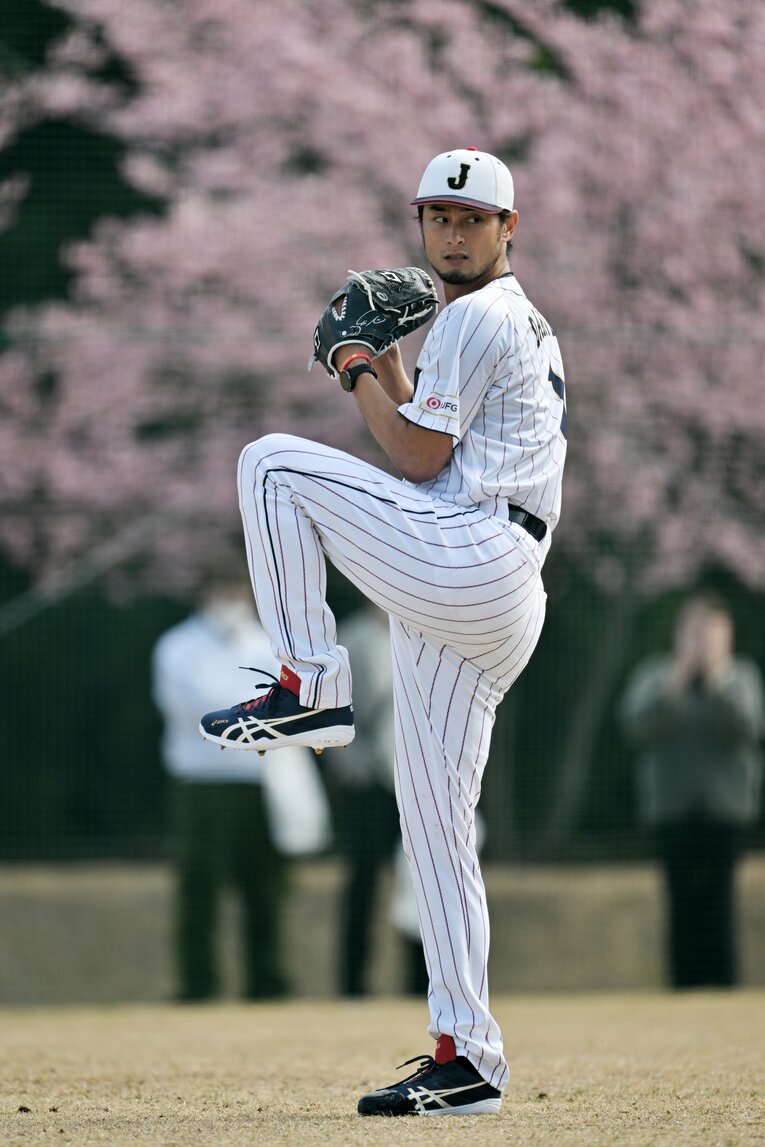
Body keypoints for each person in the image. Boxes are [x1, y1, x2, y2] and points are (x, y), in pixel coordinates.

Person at [200, 147, 567, 1115]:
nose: (452, 233)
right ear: (421, 224)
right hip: (490, 579)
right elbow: (427, 446)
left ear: (508, 230)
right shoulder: (495, 322)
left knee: (271, 466)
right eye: (438, 217)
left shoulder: (483, 314)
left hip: (475, 554)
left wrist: (354, 363)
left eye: (472, 219)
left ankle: (311, 682)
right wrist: (393, 370)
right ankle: (467, 1057)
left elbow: (410, 457)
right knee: (437, 832)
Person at [153, 569, 299, 1001]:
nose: (232, 599)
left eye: (239, 589)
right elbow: (196, 710)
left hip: (262, 782)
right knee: (199, 887)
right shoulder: (177, 646)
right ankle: (198, 986)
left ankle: (268, 984)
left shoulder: (269, 644)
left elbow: (287, 706)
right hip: (202, 783)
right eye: (223, 588)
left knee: (267, 888)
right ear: (204, 593)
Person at [620, 592, 763, 989]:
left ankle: (724, 983)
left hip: (726, 812)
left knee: (720, 901)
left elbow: (747, 727)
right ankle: (682, 985)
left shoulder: (741, 677)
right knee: (681, 901)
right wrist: (675, 683)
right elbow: (636, 725)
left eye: (711, 633)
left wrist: (716, 681)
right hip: (671, 811)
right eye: (694, 632)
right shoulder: (656, 676)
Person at [324, 601, 428, 998]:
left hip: (418, 783)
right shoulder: (351, 641)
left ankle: (423, 984)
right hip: (369, 783)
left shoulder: (424, 635)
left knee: (423, 886)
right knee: (363, 882)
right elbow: (335, 714)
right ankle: (353, 984)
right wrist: (354, 768)